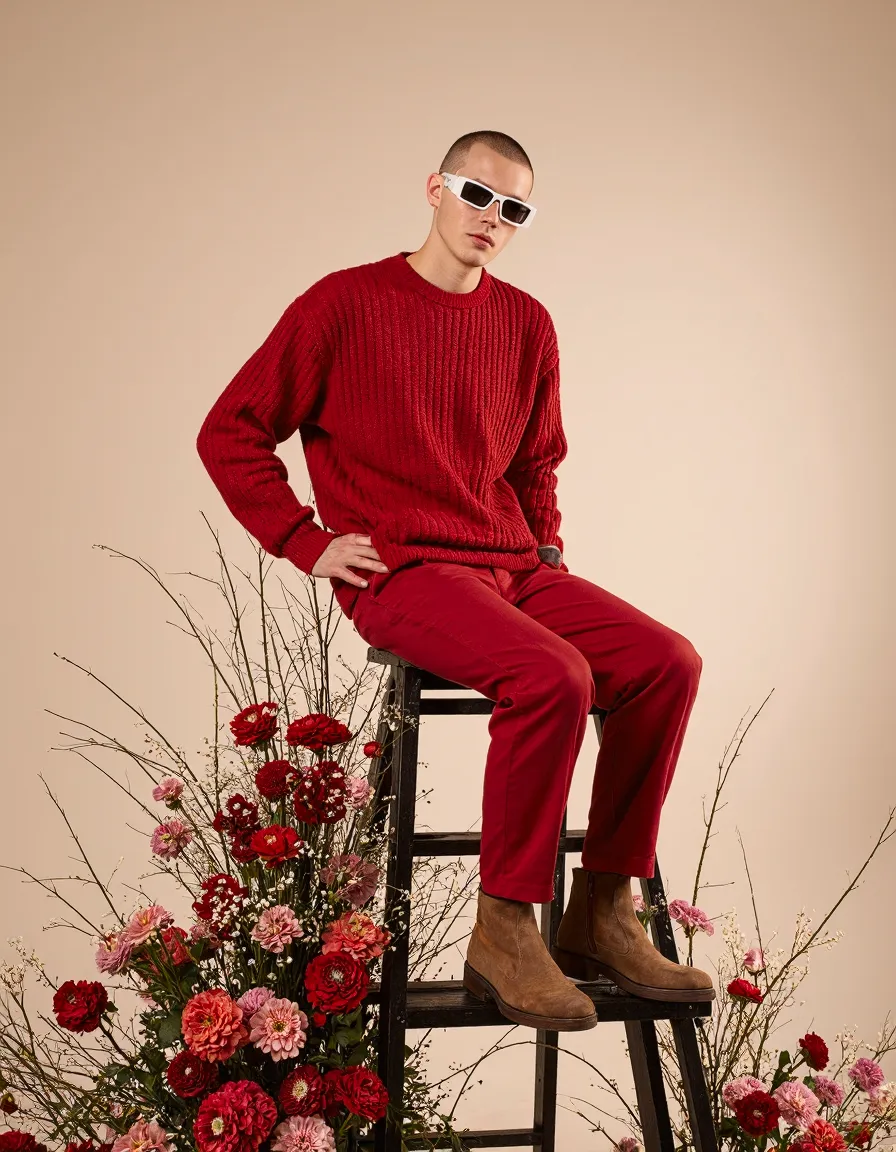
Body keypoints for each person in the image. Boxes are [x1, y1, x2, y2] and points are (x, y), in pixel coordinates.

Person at [196, 128, 715, 1033]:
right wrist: (302, 540)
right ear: (435, 187)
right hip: (407, 571)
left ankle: (600, 910)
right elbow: (230, 430)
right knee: (553, 675)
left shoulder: (527, 323)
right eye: (479, 195)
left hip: (512, 567)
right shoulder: (342, 304)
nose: (493, 219)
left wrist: (545, 552)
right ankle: (506, 929)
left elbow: (535, 463)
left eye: (515, 209)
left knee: (667, 661)